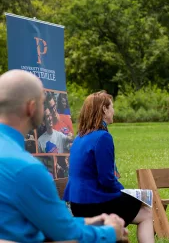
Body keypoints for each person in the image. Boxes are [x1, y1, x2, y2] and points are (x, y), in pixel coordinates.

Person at [0, 70, 125, 242]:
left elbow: (48, 222)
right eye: (43, 103)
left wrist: (90, 222)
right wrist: (111, 232)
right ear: (31, 108)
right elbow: (65, 234)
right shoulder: (26, 169)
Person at [64, 91, 154, 243]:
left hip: (76, 203)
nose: (113, 111)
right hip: (94, 202)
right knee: (146, 212)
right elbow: (106, 179)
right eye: (112, 107)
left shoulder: (80, 137)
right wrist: (126, 191)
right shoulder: (103, 137)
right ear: (104, 110)